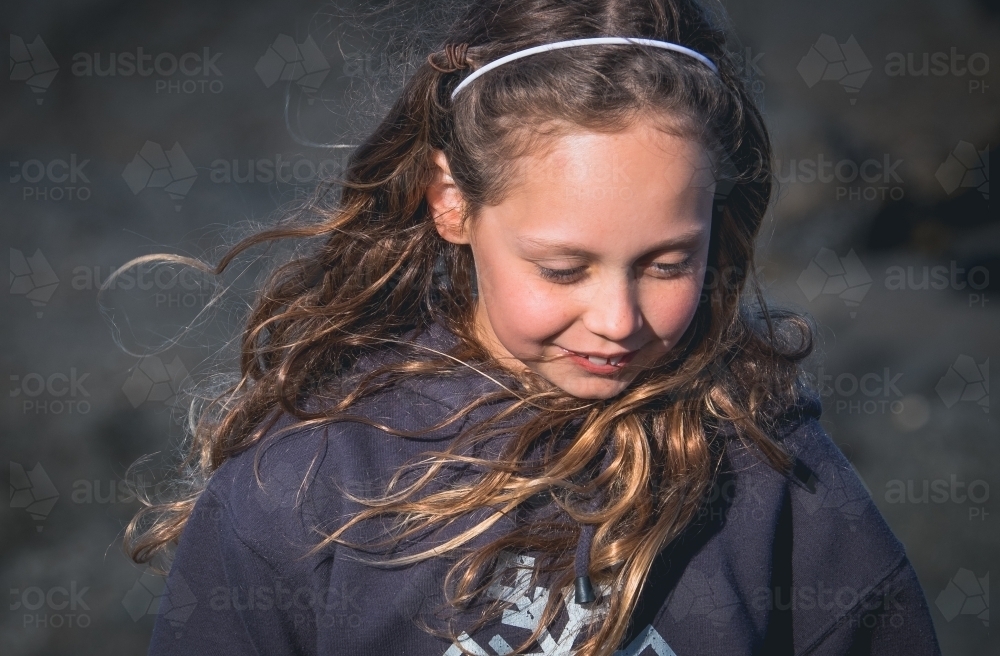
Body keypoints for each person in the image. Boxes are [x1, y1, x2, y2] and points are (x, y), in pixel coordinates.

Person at [126, 1, 943, 654]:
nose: (618, 321)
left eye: (666, 263)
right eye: (562, 269)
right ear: (451, 201)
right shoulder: (304, 490)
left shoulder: (773, 474)